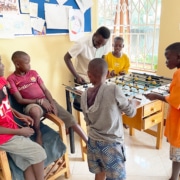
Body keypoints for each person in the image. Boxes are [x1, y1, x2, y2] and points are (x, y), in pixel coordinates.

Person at [7, 51, 88, 145]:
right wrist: (39, 101)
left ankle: (88, 142)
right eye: (27, 63)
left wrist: (52, 103)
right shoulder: (11, 79)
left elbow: (45, 90)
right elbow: (19, 100)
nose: (30, 65)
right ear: (17, 64)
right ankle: (38, 133)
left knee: (71, 119)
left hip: (46, 100)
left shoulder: (33, 73)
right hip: (31, 104)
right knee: (35, 111)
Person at [80, 58, 140, 180]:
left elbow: (88, 120)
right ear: (107, 74)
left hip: (93, 143)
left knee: (100, 173)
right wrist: (133, 103)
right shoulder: (113, 89)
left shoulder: (84, 94)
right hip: (111, 145)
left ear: (88, 75)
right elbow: (131, 112)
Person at [0, 57, 46, 180]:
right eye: (0, 63)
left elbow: (6, 105)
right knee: (39, 153)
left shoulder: (1, 82)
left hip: (10, 128)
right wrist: (19, 132)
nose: (3, 66)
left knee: (28, 162)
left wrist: (21, 115)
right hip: (4, 136)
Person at [144, 42, 180, 180]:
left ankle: (173, 177)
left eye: (167, 58)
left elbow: (176, 101)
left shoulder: (178, 73)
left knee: (177, 154)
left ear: (178, 57)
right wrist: (168, 91)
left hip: (178, 125)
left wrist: (156, 96)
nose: (165, 62)